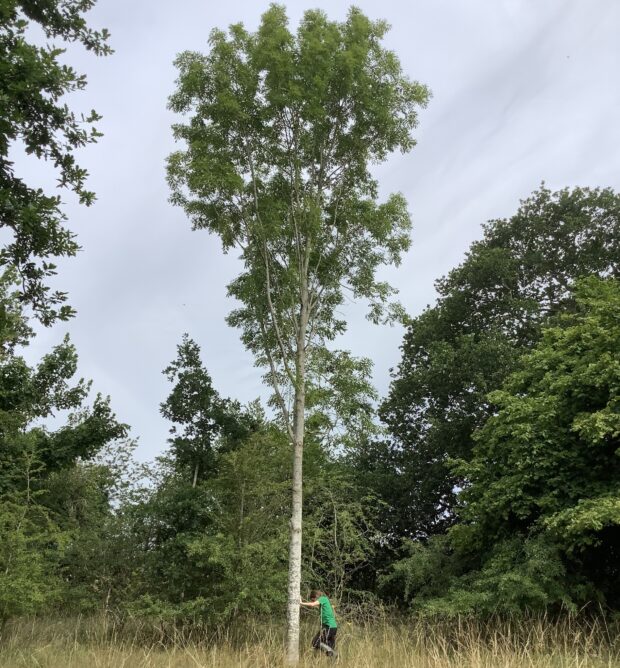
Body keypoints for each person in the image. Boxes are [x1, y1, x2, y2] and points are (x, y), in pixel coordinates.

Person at [300, 589, 338, 658]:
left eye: (313, 600)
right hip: (330, 627)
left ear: (316, 597)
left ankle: (332, 653)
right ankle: (332, 656)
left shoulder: (323, 599)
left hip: (329, 627)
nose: (313, 601)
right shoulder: (324, 601)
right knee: (326, 649)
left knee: (316, 642)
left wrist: (301, 603)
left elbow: (312, 605)